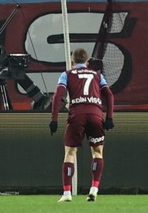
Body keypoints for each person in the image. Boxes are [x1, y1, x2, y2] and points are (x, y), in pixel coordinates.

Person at [49, 48, 115, 203]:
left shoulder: (67, 74)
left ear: (72, 62)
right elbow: (109, 95)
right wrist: (110, 117)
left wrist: (54, 119)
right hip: (95, 115)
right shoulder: (97, 75)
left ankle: (67, 193)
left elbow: (58, 95)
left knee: (70, 153)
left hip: (77, 115)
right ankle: (94, 189)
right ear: (87, 62)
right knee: (97, 152)